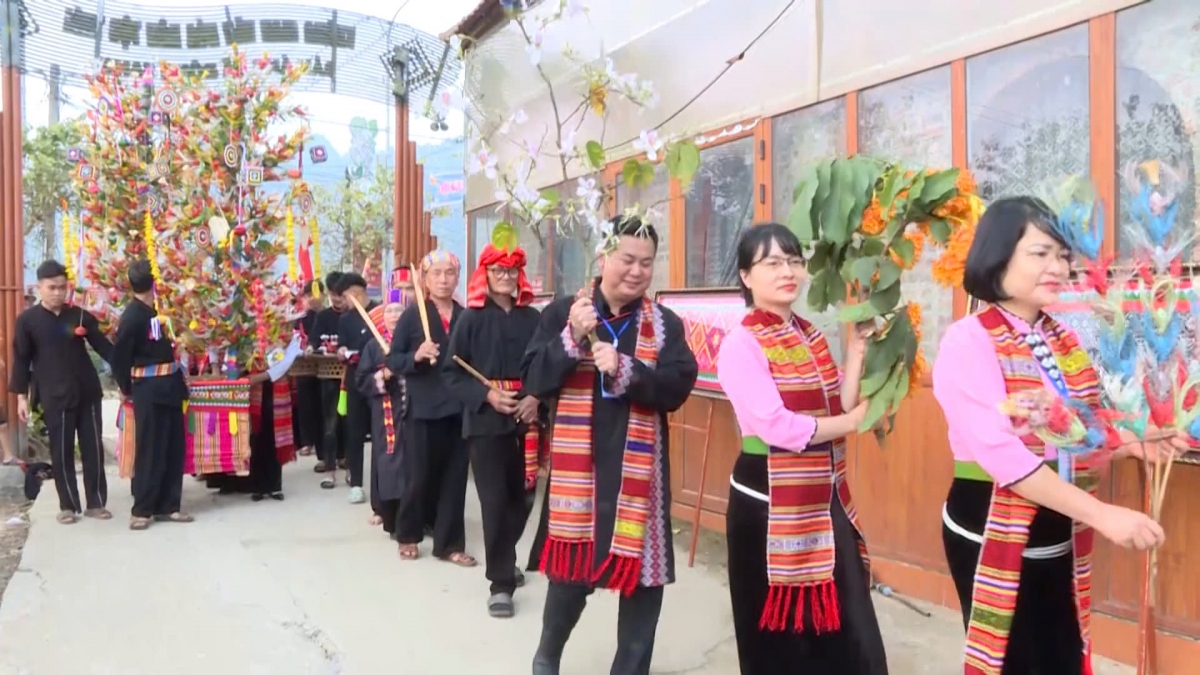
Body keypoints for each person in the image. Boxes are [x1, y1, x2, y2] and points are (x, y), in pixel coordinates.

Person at [932, 196, 1188, 674]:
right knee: (1017, 659)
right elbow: (1004, 456)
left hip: (1058, 526)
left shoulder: (1060, 337)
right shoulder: (968, 340)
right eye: (1040, 253)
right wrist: (1103, 515)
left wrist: (1136, 440)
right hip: (993, 525)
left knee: (1061, 653)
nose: (1058, 266)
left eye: (1063, 255)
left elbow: (1080, 424)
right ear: (998, 254)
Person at [523, 217, 698, 675]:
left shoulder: (664, 325)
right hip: (579, 478)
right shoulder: (565, 311)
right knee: (568, 579)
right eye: (627, 259)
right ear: (603, 259)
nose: (637, 271)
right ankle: (547, 658)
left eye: (646, 262)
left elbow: (677, 387)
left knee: (644, 584)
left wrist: (629, 371)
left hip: (640, 477)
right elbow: (534, 379)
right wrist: (572, 338)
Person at [714, 223, 887, 674]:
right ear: (747, 277)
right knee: (783, 639)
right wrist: (851, 424)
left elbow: (837, 403)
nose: (787, 271)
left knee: (850, 626)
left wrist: (858, 351)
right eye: (772, 263)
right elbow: (777, 427)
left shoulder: (808, 334)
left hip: (823, 494)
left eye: (793, 260)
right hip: (767, 501)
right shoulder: (742, 343)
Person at [444, 241, 542, 618]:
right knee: (496, 502)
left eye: (511, 271)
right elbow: (452, 374)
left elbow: (546, 365)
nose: (505, 277)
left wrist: (535, 397)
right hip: (486, 422)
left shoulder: (533, 319)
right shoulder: (470, 319)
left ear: (520, 276)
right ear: (484, 276)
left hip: (527, 417)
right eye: (497, 271)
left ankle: (505, 555)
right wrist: (486, 395)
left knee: (524, 499)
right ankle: (500, 583)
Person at [387, 250, 476, 567]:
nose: (443, 279)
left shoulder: (467, 316)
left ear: (457, 277)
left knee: (454, 480)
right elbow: (393, 360)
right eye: (436, 273)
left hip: (459, 409)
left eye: (449, 273)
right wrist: (416, 356)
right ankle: (408, 534)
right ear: (424, 279)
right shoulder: (414, 316)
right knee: (418, 477)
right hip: (423, 409)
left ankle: (449, 543)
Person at [8, 260, 114, 525]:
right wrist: (21, 397)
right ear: (40, 288)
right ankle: (68, 505)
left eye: (62, 287)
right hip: (54, 395)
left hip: (87, 391)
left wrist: (129, 366)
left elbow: (104, 348)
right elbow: (21, 360)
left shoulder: (78, 316)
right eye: (51, 287)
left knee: (93, 450)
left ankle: (96, 502)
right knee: (61, 451)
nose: (57, 293)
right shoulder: (27, 322)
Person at [109, 259, 192, 530]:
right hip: (148, 390)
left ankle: (170, 505)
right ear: (154, 282)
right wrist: (125, 388)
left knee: (172, 447)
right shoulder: (132, 317)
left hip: (170, 387)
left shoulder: (161, 312)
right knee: (150, 449)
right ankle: (142, 509)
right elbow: (120, 358)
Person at [355, 272, 410, 537]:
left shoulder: (415, 341)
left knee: (413, 462)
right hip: (386, 411)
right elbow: (361, 380)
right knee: (388, 460)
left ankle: (415, 516)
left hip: (412, 411)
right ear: (383, 315)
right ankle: (387, 513)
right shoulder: (373, 347)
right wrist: (383, 375)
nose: (395, 316)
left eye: (400, 310)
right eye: (390, 311)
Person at [335, 272, 378, 504]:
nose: (344, 301)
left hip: (379, 378)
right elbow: (342, 346)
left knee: (381, 431)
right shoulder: (346, 319)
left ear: (356, 293)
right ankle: (357, 483)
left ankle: (382, 484)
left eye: (345, 296)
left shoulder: (379, 312)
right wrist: (341, 352)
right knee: (355, 431)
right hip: (354, 378)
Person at [311, 271, 347, 480]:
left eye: (340, 294)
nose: (337, 299)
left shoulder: (352, 315)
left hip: (349, 375)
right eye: (333, 295)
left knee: (349, 419)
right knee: (329, 420)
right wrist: (310, 348)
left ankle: (347, 458)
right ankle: (328, 460)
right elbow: (314, 341)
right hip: (328, 374)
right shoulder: (322, 317)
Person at [293, 280, 325, 456]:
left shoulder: (328, 315)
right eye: (307, 295)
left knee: (322, 405)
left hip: (325, 365)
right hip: (304, 365)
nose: (311, 298)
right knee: (305, 404)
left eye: (314, 294)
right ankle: (306, 442)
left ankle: (322, 442)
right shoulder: (300, 318)